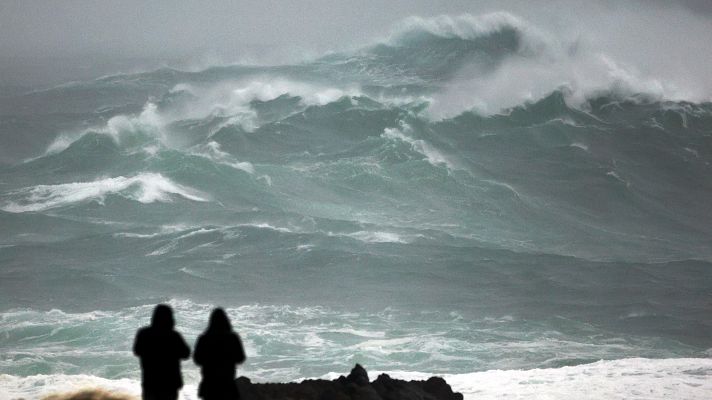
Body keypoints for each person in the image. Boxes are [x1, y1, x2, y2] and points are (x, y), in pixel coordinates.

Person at [133, 304, 191, 400]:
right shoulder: (174, 336)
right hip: (170, 382)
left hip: (150, 381)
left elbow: (137, 351)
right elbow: (186, 354)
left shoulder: (143, 333)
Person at [193, 308, 246, 400]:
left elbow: (197, 360)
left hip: (209, 384)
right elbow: (240, 358)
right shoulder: (232, 338)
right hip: (227, 383)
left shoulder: (204, 338)